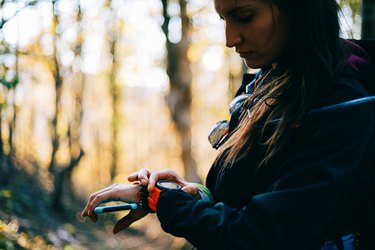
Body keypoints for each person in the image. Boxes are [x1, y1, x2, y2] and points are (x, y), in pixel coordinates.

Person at [81, 0, 375, 249]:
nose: (230, 38)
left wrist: (162, 199)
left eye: (244, 17)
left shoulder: (343, 102)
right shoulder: (265, 84)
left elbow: (262, 233)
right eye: (223, 19)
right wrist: (194, 194)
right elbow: (251, 196)